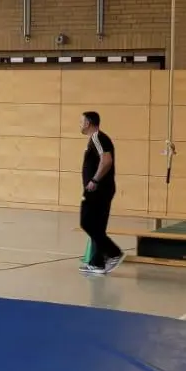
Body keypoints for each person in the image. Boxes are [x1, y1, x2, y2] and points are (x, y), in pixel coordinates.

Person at [79, 111, 124, 276]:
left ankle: (113, 253)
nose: (80, 124)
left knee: (87, 222)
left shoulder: (98, 137)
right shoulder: (93, 140)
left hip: (98, 190)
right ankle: (97, 263)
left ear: (88, 123)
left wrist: (95, 180)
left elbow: (106, 160)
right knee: (97, 226)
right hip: (98, 190)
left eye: (81, 121)